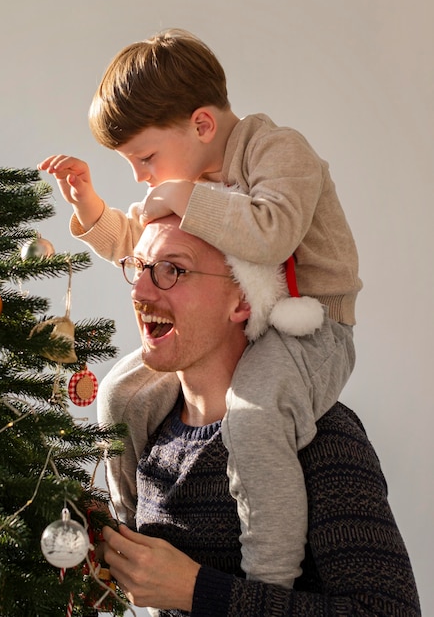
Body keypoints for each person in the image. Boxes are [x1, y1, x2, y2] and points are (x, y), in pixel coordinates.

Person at [39, 29, 362, 588]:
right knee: (119, 392)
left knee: (254, 419)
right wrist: (92, 208)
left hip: (308, 328)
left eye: (145, 157)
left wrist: (183, 198)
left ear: (203, 125)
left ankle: (267, 580)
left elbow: (271, 231)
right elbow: (140, 242)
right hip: (241, 323)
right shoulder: (186, 182)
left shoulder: (278, 152)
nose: (141, 176)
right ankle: (122, 535)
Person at [99, 214, 420, 616]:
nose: (141, 291)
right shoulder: (151, 429)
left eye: (173, 270)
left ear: (243, 301)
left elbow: (388, 611)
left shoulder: (321, 435)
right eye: (139, 267)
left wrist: (198, 591)